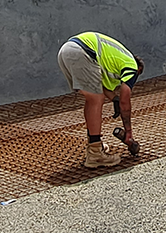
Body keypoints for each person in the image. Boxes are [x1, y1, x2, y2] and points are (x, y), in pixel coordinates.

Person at [57, 31, 144, 167]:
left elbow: (100, 87)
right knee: (96, 99)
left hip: (66, 51)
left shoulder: (113, 60)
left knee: (93, 98)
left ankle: (94, 144)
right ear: (138, 69)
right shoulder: (131, 66)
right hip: (82, 52)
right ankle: (95, 154)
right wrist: (128, 132)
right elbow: (125, 101)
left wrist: (114, 98)